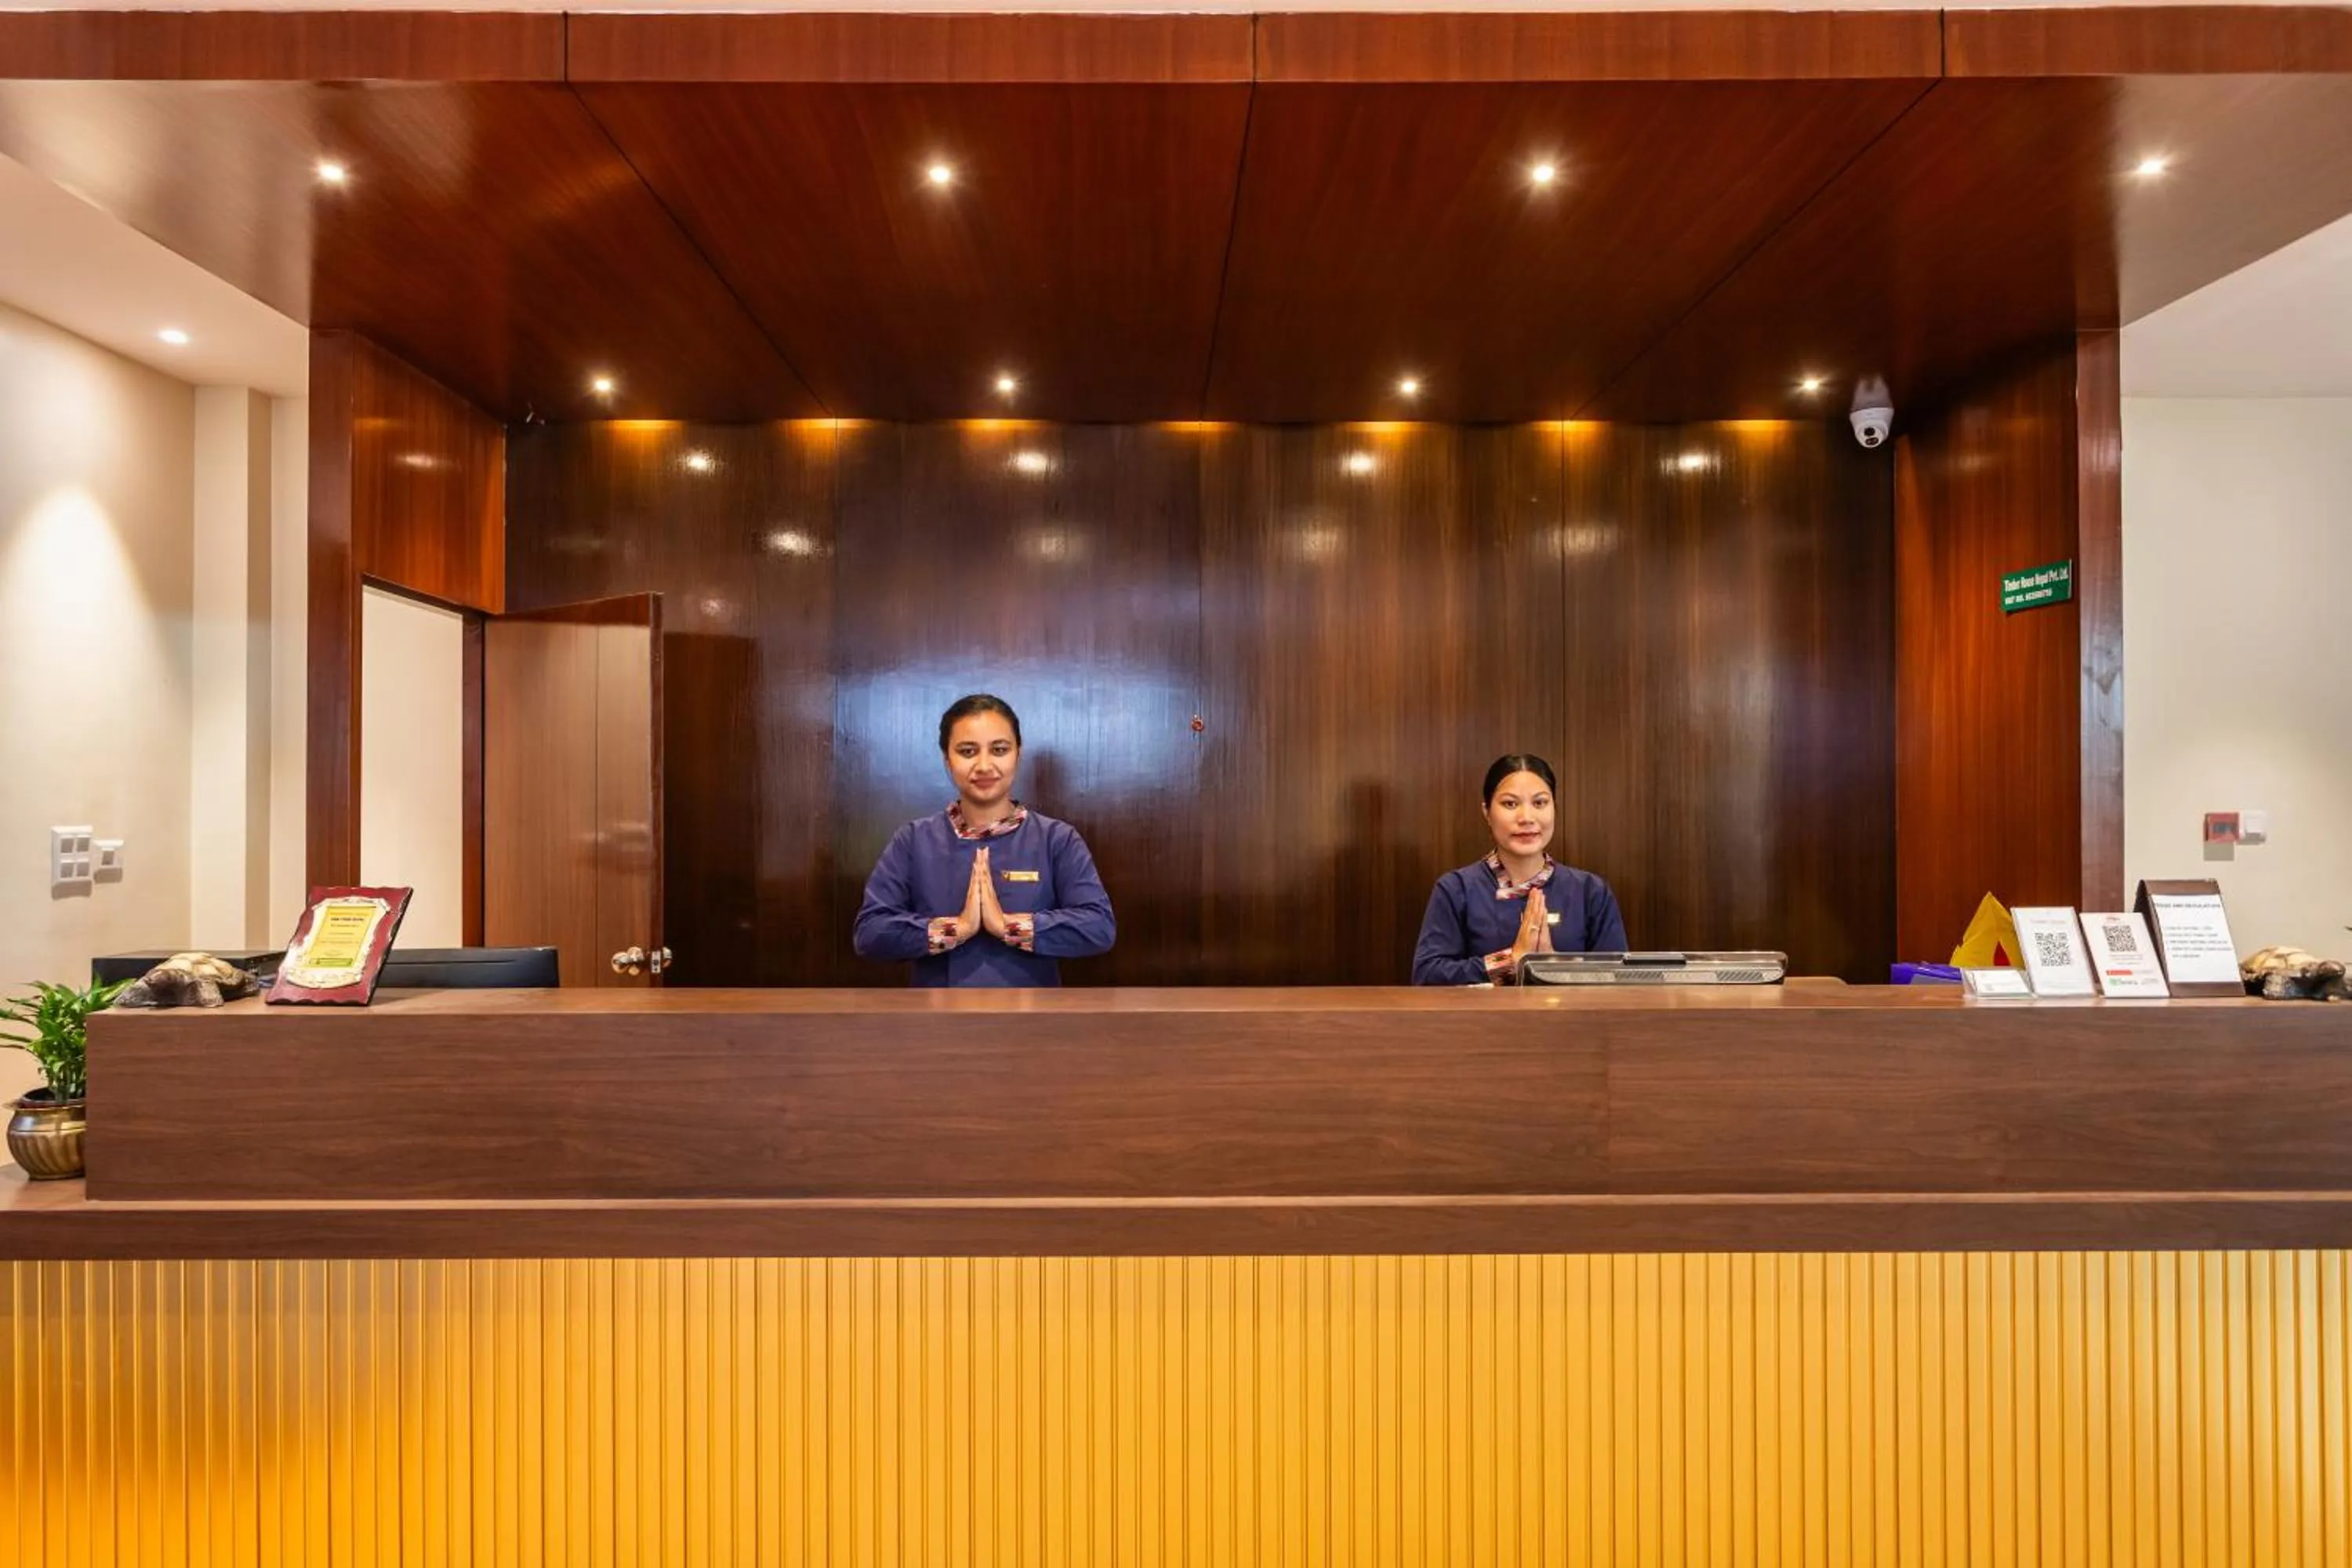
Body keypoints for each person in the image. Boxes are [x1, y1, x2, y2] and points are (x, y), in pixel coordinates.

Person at [853, 694, 1116, 987]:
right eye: (967, 751)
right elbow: (870, 934)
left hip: (1032, 1023)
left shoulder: (1057, 839)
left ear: (1018, 753)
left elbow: (1099, 928)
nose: (984, 765)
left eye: (999, 749)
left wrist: (1008, 927)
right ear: (947, 760)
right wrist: (956, 929)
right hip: (936, 1024)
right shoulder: (913, 840)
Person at [1411, 753, 1627, 985]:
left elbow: (1619, 981)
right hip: (1481, 1021)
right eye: (1510, 804)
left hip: (1567, 1021)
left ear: (1554, 807)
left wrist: (1552, 967)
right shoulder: (1456, 888)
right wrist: (1509, 962)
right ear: (1487, 812)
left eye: (1540, 803)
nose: (1526, 817)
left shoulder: (1590, 891)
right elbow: (1427, 975)